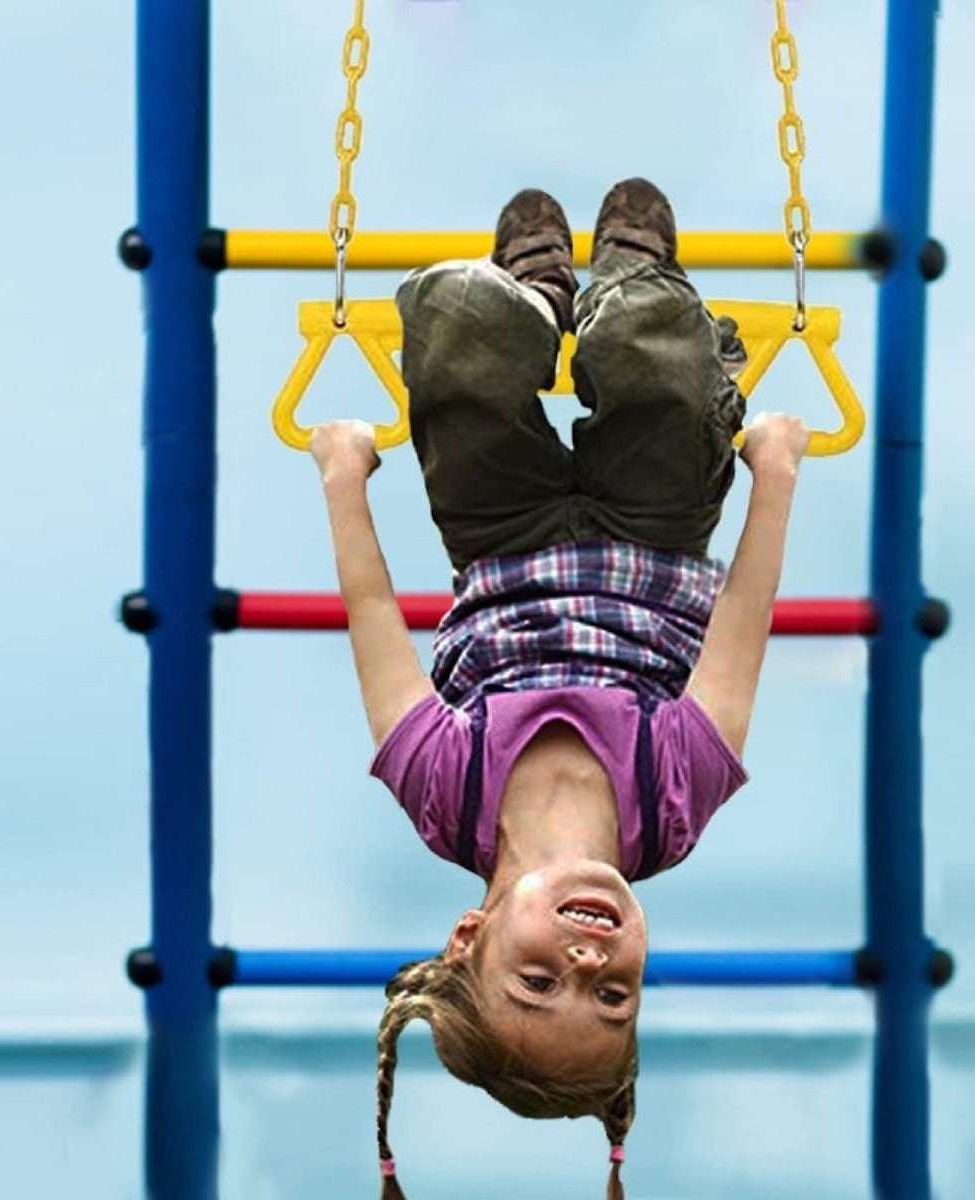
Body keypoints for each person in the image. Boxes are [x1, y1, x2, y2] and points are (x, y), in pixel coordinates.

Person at [310, 179, 810, 1199]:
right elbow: (739, 637)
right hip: (658, 534)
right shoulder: (667, 809)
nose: (588, 960)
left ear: (470, 937)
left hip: (500, 542)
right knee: (655, 363)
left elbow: (374, 625)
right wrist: (774, 482)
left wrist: (343, 483)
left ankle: (530, 296)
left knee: (452, 338)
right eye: (616, 993)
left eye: (538, 980)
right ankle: (632, 273)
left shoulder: (446, 794)